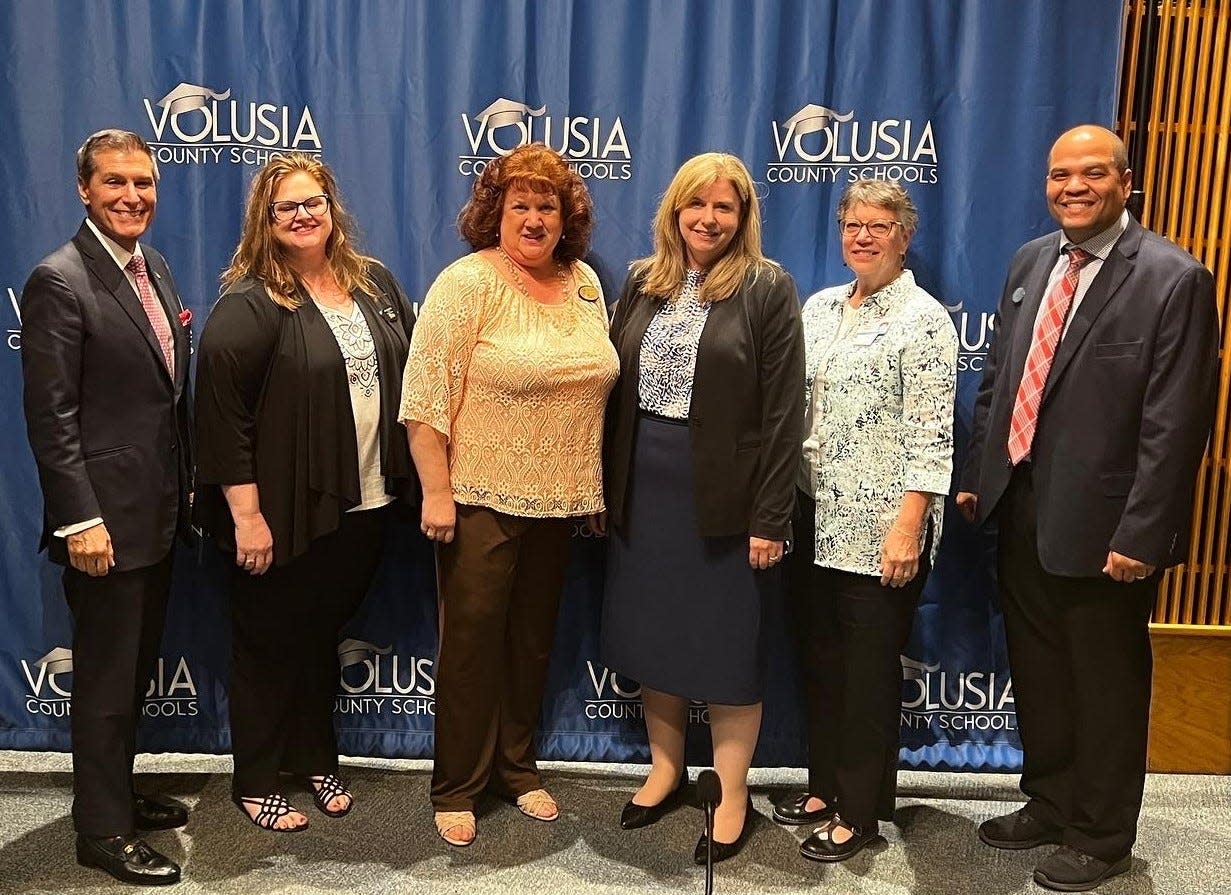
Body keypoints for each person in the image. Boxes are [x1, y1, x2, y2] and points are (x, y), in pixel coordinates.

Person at [957, 125, 1219, 892]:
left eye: (1091, 173)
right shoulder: (1030, 261)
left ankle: (1102, 833)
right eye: (1058, 174)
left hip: (1109, 526)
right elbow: (1001, 377)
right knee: (1038, 668)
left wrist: (1142, 531)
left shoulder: (1174, 277)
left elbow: (1175, 423)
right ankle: (1051, 798)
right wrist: (981, 472)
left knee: (1104, 680)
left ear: (1125, 181)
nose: (1072, 186)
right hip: (1021, 504)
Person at [400, 143, 617, 848]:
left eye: (546, 205)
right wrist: (436, 491)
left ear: (566, 218)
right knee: (471, 646)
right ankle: (457, 784)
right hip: (478, 500)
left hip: (558, 503)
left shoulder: (585, 282)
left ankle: (515, 768)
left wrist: (591, 481)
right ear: (494, 212)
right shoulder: (467, 283)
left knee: (529, 645)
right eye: (519, 203)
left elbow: (590, 392)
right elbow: (423, 400)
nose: (532, 217)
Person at [194, 153, 416, 832]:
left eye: (312, 201)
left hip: (365, 503)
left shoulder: (371, 282)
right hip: (278, 511)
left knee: (320, 635)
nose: (301, 215)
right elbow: (221, 417)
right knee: (267, 641)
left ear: (331, 205)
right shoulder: (251, 300)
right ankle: (258, 776)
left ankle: (316, 755)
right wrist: (248, 518)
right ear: (266, 217)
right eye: (285, 206)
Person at [600, 152, 805, 865]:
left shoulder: (766, 287)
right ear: (674, 210)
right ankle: (664, 769)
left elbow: (783, 414)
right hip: (642, 486)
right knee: (652, 633)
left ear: (742, 217)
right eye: (697, 205)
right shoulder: (639, 280)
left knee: (725, 645)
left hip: (727, 496)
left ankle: (731, 790)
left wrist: (769, 517)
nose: (708, 219)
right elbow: (610, 390)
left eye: (724, 207)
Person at [20, 129, 192, 885]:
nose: (132, 196)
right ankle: (101, 830)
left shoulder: (149, 264)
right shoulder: (58, 279)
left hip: (153, 513)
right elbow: (50, 416)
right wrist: (78, 518)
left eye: (144, 183)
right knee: (103, 680)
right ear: (84, 189)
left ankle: (114, 791)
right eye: (116, 183)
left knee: (130, 674)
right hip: (103, 524)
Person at [773, 180, 957, 863]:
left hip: (881, 529)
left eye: (878, 225)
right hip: (810, 518)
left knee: (867, 674)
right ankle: (823, 786)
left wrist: (908, 524)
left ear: (903, 236)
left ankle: (860, 812)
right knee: (820, 663)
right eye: (852, 224)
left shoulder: (924, 320)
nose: (862, 235)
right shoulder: (818, 308)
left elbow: (932, 437)